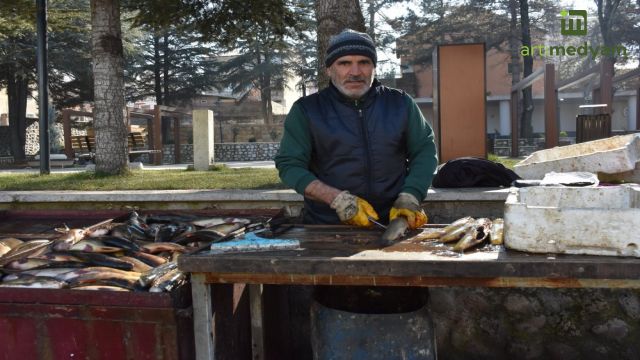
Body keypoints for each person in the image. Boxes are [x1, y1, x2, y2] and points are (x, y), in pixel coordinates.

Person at [275, 28, 438, 229]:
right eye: (344, 63)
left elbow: (424, 150)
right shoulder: (307, 110)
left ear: (373, 67)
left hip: (395, 222)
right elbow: (290, 165)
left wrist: (411, 195)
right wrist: (336, 199)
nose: (355, 72)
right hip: (327, 226)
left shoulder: (401, 103)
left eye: (364, 62)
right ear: (329, 69)